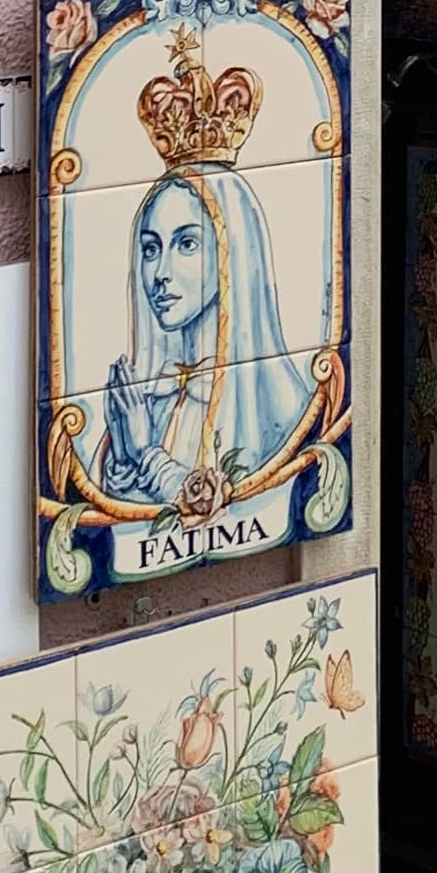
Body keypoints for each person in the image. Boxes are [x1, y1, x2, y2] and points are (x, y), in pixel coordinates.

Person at [92, 31, 322, 515]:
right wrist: (124, 454)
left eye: (187, 243)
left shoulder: (283, 406)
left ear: (232, 253)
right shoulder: (145, 399)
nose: (160, 273)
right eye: (151, 249)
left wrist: (149, 457)